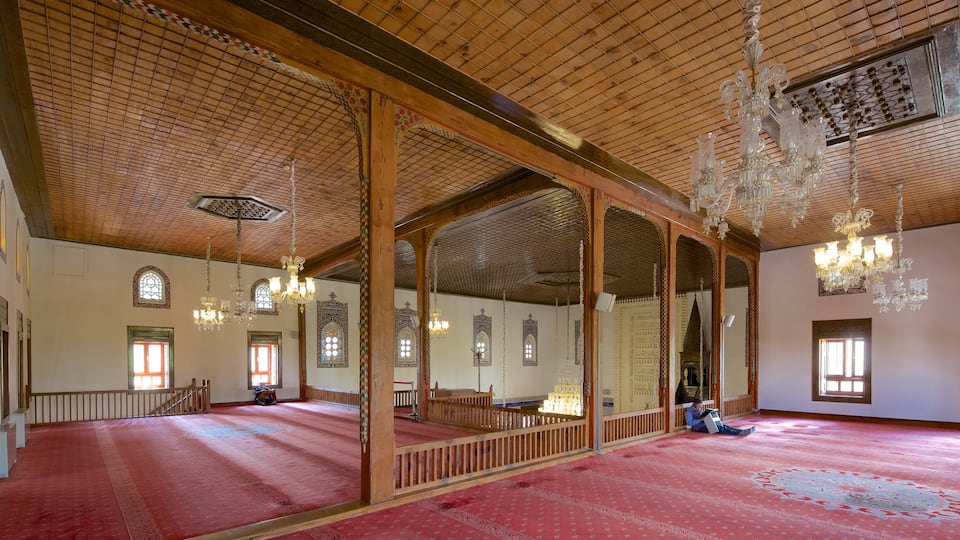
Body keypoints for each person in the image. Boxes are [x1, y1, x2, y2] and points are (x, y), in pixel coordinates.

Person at [685, 398, 754, 436]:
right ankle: (740, 433)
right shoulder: (689, 412)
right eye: (699, 406)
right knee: (720, 429)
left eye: (701, 406)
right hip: (699, 427)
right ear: (695, 404)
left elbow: (703, 415)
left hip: (705, 423)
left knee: (724, 426)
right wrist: (701, 419)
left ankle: (742, 431)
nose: (700, 407)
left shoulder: (698, 409)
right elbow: (690, 423)